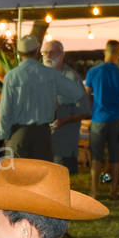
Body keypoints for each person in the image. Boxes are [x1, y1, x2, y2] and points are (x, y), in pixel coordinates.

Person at [0, 35, 84, 162]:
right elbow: (77, 93)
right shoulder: (50, 73)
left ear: (19, 53)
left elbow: (5, 110)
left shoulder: (12, 76)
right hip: (43, 134)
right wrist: (55, 98)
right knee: (41, 178)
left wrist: (4, 133)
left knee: (19, 178)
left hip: (18, 134)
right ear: (37, 51)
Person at [84, 40, 119, 200]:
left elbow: (86, 95)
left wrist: (90, 111)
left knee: (96, 157)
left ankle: (94, 191)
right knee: (116, 156)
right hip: (117, 119)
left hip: (98, 119)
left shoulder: (93, 72)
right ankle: (113, 191)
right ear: (118, 53)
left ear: (105, 51)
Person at [43, 40, 89, 176]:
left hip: (63, 142)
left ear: (62, 55)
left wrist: (64, 120)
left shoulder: (72, 78)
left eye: (52, 52)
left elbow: (85, 110)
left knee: (61, 181)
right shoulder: (38, 76)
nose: (47, 56)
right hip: (42, 142)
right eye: (44, 53)